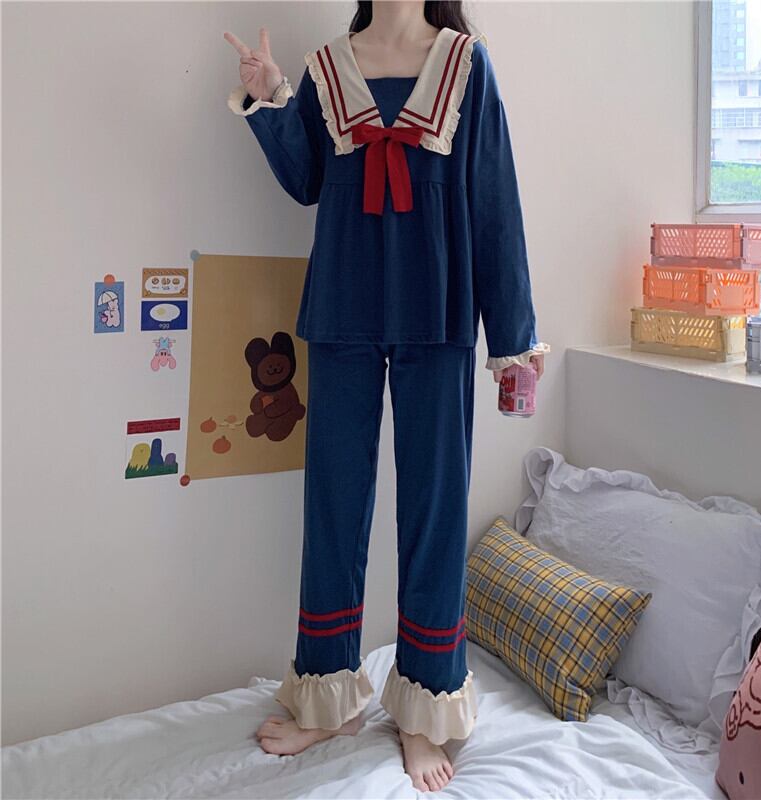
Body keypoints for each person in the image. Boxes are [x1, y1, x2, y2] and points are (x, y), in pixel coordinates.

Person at [223, 0, 547, 791]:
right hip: (342, 306)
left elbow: (495, 204)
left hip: (438, 310)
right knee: (334, 504)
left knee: (436, 511)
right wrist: (272, 96)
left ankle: (426, 709)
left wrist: (512, 341)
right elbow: (308, 180)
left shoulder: (466, 65)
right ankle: (326, 697)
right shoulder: (328, 67)